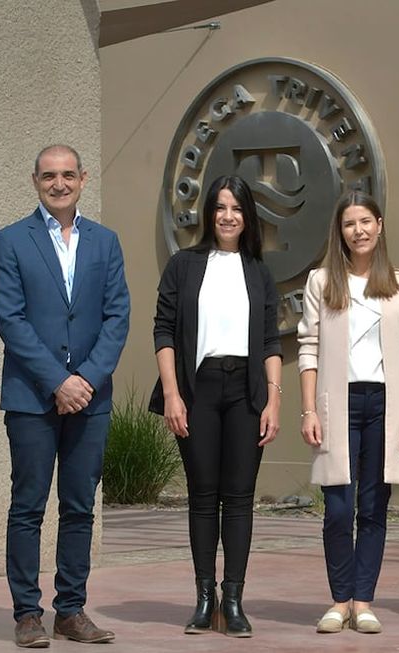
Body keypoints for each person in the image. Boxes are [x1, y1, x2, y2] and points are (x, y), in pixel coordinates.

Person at [0, 144, 130, 647]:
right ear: (35, 181)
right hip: (32, 396)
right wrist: (57, 381)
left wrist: (85, 380)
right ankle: (28, 613)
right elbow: (11, 320)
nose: (59, 183)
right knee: (27, 505)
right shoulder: (10, 241)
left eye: (68, 175)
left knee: (79, 507)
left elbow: (117, 317)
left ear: (83, 179)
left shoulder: (105, 242)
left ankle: (70, 610)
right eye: (49, 176)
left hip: (90, 398)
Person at [150, 175, 282, 638]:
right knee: (204, 496)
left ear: (248, 217)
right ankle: (204, 598)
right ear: (210, 213)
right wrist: (172, 393)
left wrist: (273, 400)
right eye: (221, 207)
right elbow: (163, 329)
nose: (229, 216)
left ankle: (234, 598)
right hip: (198, 389)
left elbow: (270, 340)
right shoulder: (184, 265)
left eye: (237, 208)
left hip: (247, 390)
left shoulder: (259, 271)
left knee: (240, 496)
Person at [297, 191, 399, 635]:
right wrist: (308, 409)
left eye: (366, 221)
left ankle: (363, 601)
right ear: (341, 231)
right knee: (338, 507)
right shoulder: (320, 282)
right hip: (339, 405)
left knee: (374, 507)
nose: (359, 230)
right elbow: (308, 349)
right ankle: (339, 600)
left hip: (385, 407)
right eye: (350, 223)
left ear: (380, 225)